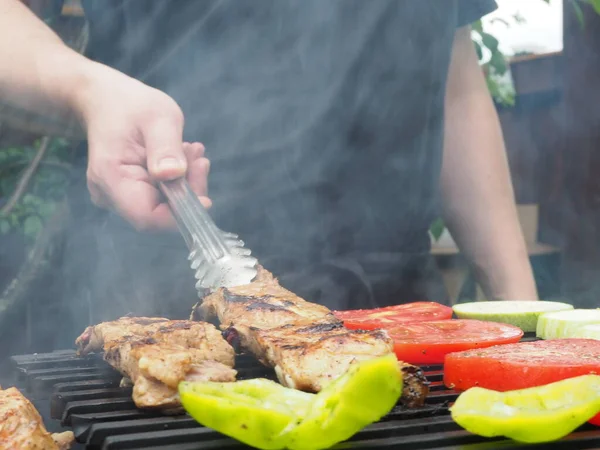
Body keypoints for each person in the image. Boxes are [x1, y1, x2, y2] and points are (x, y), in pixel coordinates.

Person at [0, 0, 538, 334]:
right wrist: (85, 87)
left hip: (398, 308)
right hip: (170, 301)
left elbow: (453, 85)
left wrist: (527, 315)